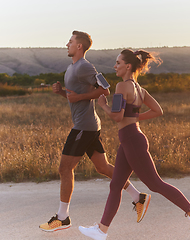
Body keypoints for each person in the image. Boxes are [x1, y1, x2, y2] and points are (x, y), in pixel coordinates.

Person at [78, 49, 190, 240]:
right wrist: (136, 116)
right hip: (131, 139)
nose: (115, 66)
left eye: (118, 63)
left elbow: (117, 116)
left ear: (128, 66)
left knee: (155, 183)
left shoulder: (122, 86)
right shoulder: (139, 89)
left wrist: (103, 104)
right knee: (115, 186)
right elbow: (157, 110)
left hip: (131, 141)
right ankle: (101, 230)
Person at [39, 32, 150, 232]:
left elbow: (105, 89)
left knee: (65, 169)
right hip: (88, 125)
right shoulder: (72, 67)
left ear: (79, 46)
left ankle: (63, 218)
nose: (67, 44)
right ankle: (138, 196)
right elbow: (75, 98)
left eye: (71, 42)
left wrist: (80, 96)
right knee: (103, 167)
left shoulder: (85, 66)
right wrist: (62, 93)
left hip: (84, 126)